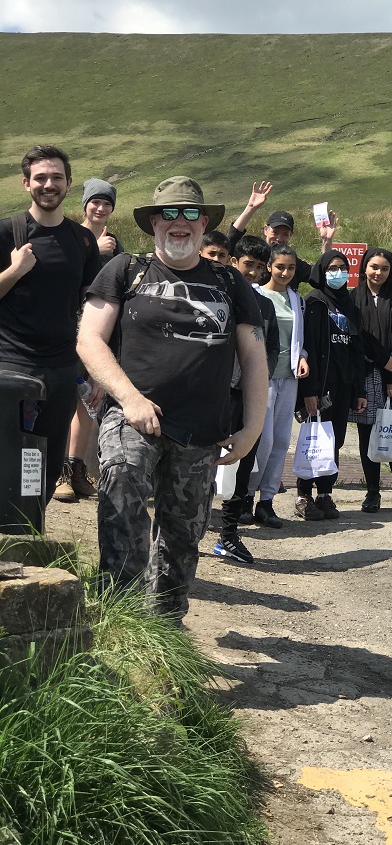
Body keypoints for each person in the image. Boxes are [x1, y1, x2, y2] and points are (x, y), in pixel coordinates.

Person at [77, 176, 268, 624]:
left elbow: (255, 356)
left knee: (184, 535)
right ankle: (118, 620)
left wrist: (253, 427)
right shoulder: (126, 269)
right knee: (122, 485)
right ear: (154, 223)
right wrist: (130, 400)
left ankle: (163, 630)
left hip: (201, 430)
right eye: (169, 214)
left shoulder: (228, 281)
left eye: (188, 214)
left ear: (204, 223)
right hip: (131, 416)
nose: (178, 223)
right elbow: (88, 339)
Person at [0, 146, 101, 504]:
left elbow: (91, 308)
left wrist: (93, 369)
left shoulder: (83, 241)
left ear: (68, 183)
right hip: (10, 366)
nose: (49, 184)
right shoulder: (5, 233)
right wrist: (14, 271)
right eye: (40, 178)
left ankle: (31, 533)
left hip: (61, 369)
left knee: (45, 463)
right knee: (6, 457)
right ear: (26, 183)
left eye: (56, 177)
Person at [54, 178, 124, 502]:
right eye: (95, 202)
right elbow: (60, 273)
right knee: (67, 399)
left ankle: (76, 469)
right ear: (85, 205)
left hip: (99, 334)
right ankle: (59, 476)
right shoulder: (69, 235)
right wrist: (96, 250)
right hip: (65, 329)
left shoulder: (116, 246)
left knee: (89, 403)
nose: (100, 208)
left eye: (107, 204)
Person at [215, 235, 280, 561]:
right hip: (215, 393)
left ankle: (228, 534)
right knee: (201, 461)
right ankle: (191, 529)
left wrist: (258, 377)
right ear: (233, 261)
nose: (252, 272)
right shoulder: (217, 295)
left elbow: (272, 349)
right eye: (247, 264)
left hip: (248, 396)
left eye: (258, 266)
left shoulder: (265, 305)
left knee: (242, 464)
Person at [295, 250, 367, 521]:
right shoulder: (314, 302)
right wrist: (309, 391)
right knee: (313, 441)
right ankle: (304, 494)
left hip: (344, 385)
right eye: (332, 268)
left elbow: (358, 350)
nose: (338, 273)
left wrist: (359, 390)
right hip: (321, 385)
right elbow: (309, 348)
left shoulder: (350, 305)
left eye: (343, 267)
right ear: (322, 272)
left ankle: (325, 494)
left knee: (333, 442)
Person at [244, 244, 309, 528]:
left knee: (282, 442)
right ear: (268, 266)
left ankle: (266, 502)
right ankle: (245, 496)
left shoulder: (297, 300)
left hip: (289, 377)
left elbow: (299, 339)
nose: (285, 272)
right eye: (280, 266)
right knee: (262, 440)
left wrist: (303, 357)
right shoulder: (256, 296)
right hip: (263, 377)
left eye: (291, 268)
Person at [350, 248, 392, 515]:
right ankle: (372, 493)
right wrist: (383, 362)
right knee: (369, 437)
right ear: (364, 268)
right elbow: (359, 335)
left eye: (385, 268)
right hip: (367, 374)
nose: (378, 273)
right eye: (374, 267)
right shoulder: (353, 298)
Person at [226, 180, 337, 291]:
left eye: (285, 234)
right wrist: (250, 208)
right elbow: (229, 243)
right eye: (275, 232)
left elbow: (319, 276)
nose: (279, 239)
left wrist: (327, 240)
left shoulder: (291, 262)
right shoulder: (254, 253)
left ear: (291, 235)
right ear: (266, 229)